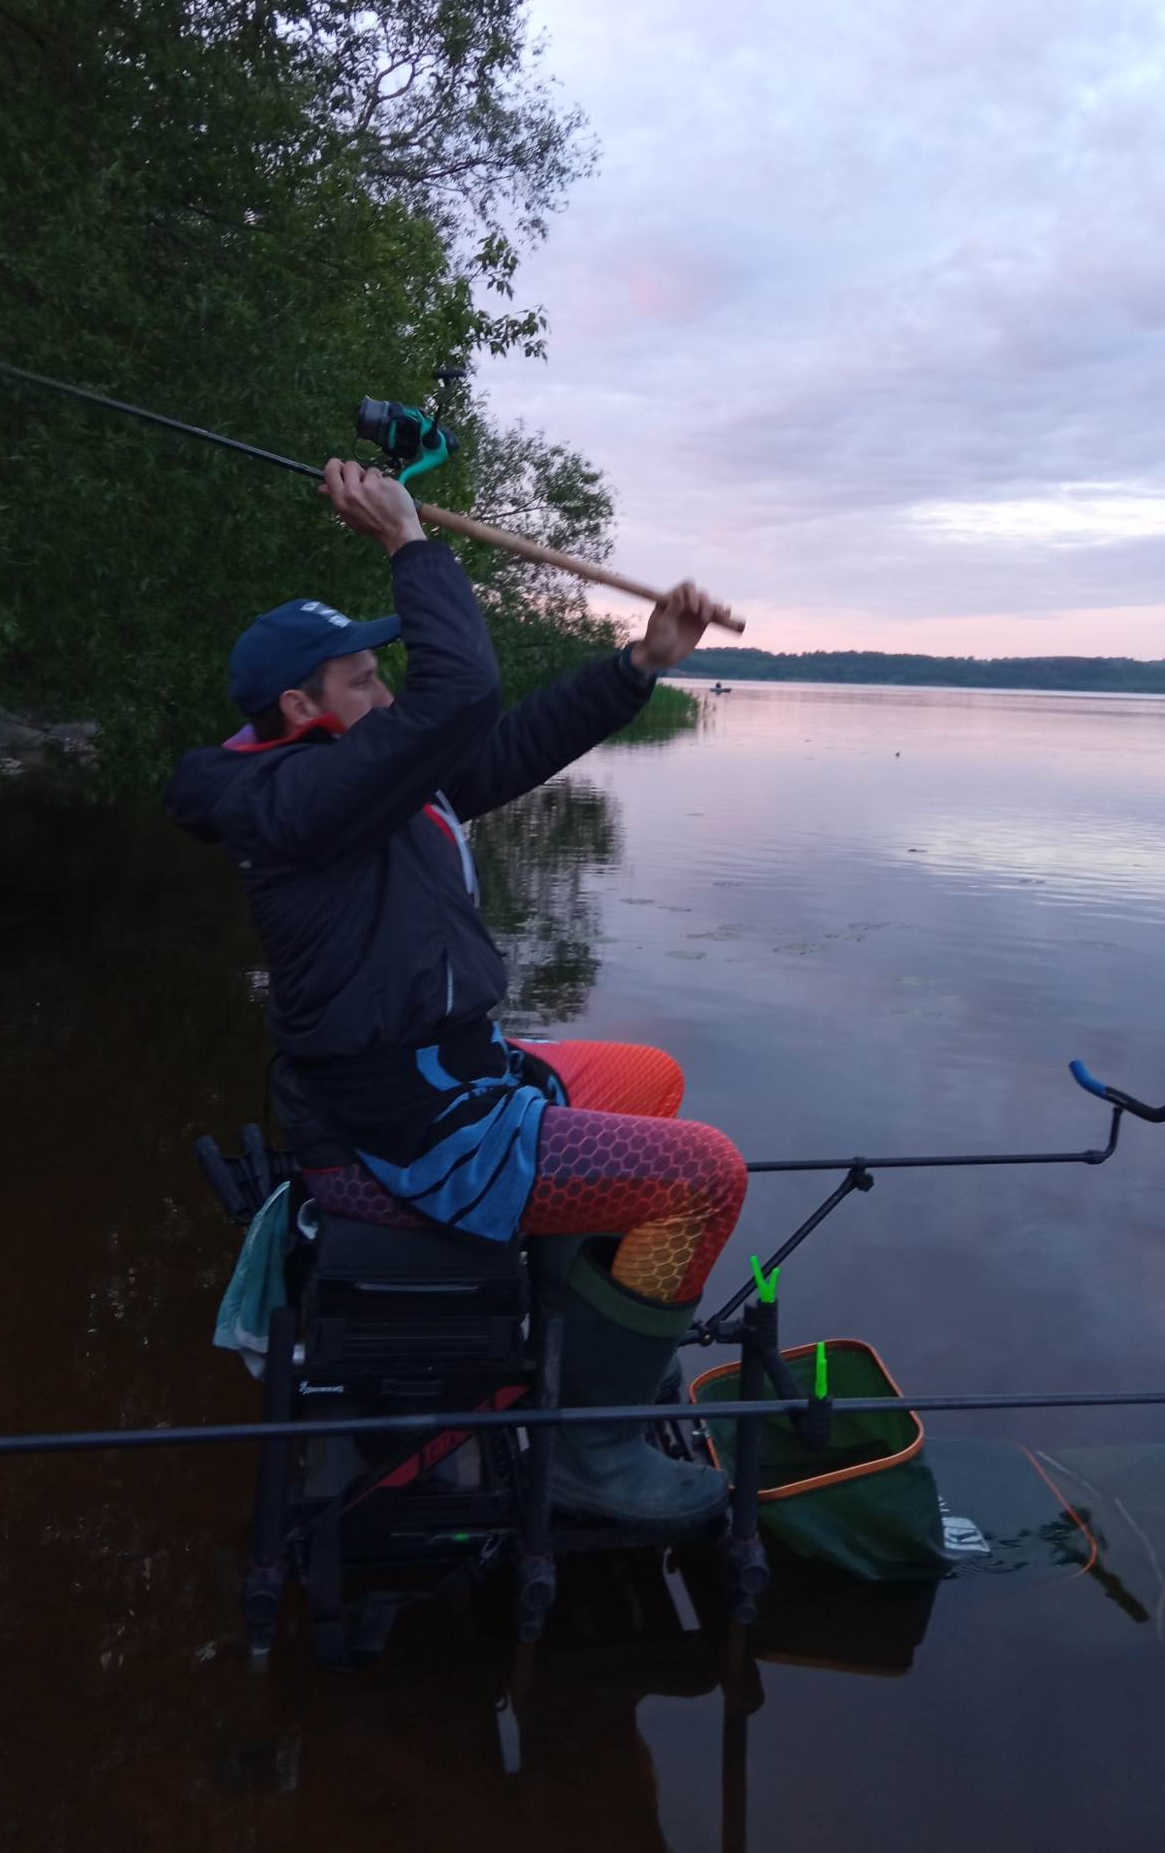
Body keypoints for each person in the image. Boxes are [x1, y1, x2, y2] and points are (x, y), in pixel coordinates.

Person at [166, 459, 746, 1528]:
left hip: (459, 1078)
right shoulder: (299, 801)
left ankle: (576, 1335)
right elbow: (462, 691)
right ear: (299, 706)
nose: (386, 694)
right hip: (412, 1125)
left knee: (651, 1076)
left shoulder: (365, 778)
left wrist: (639, 664)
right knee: (705, 1178)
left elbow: (504, 740)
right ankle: (591, 1452)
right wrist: (408, 543)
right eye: (361, 681)